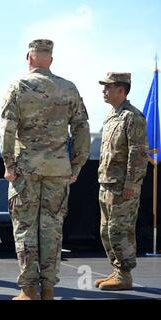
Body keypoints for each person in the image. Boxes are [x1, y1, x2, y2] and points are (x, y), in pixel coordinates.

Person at [0, 39, 90, 300]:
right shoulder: (68, 88)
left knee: (26, 227)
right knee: (52, 229)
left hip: (25, 170)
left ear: (29, 57)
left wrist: (8, 165)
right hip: (58, 170)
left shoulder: (18, 87)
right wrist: (76, 165)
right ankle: (48, 289)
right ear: (50, 59)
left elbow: (7, 129)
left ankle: (28, 290)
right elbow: (82, 128)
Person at [95, 72, 148, 291]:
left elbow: (137, 153)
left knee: (120, 230)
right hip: (107, 183)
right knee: (106, 231)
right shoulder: (112, 115)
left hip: (122, 186)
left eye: (108, 87)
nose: (103, 91)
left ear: (121, 90)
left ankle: (124, 274)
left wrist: (131, 185)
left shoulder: (132, 116)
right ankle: (117, 270)